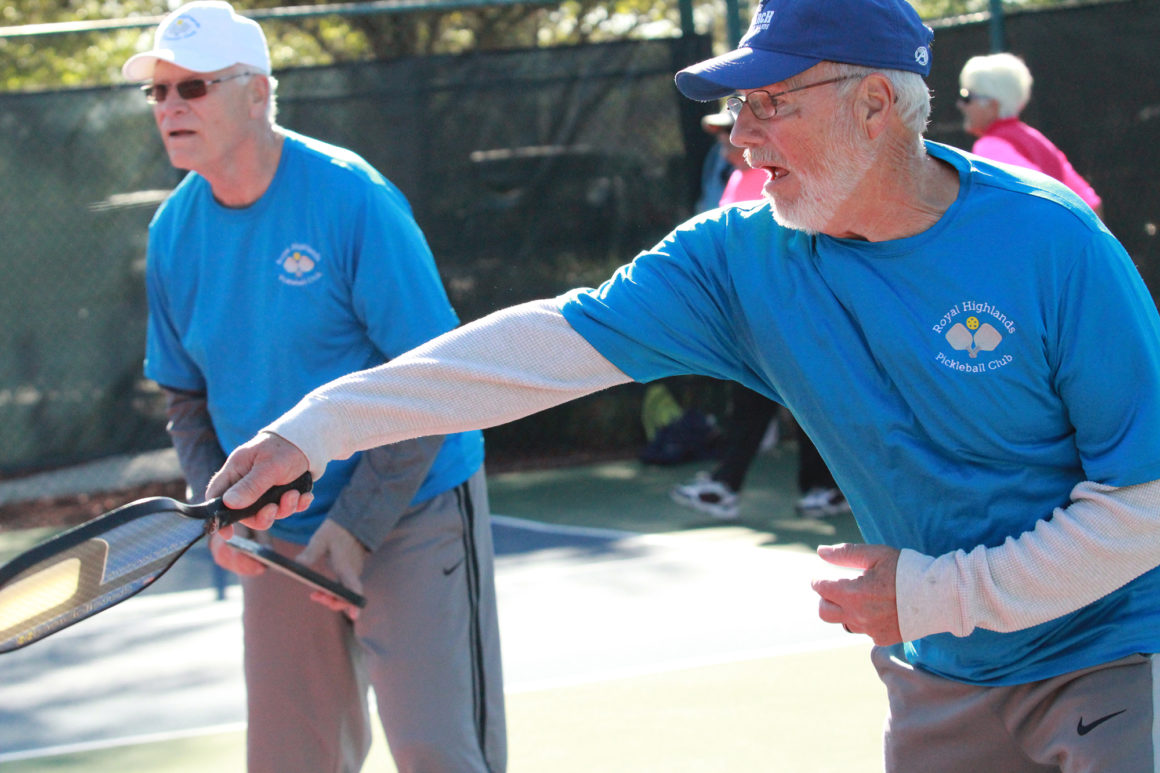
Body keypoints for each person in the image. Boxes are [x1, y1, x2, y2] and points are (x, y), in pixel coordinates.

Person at [209, 0, 1160, 769]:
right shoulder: (736, 262)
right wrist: (315, 428)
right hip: (937, 677)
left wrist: (938, 593)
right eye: (735, 107)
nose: (740, 136)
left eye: (770, 102)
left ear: (875, 104)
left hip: (1113, 659)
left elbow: (1147, 506)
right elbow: (535, 349)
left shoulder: (1056, 246)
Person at [121, 3, 506, 771]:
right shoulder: (172, 233)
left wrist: (356, 526)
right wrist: (220, 507)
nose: (169, 108)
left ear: (258, 93)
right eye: (157, 92)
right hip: (277, 532)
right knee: (291, 761)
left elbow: (436, 380)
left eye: (191, 87)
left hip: (414, 509)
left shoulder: (350, 196)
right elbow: (187, 402)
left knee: (441, 753)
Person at [673, 110, 849, 520]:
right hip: (756, 316)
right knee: (759, 399)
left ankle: (815, 487)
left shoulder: (779, 180)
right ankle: (732, 484)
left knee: (797, 402)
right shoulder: (736, 178)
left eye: (730, 134)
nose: (726, 143)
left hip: (790, 314)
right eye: (721, 136)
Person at [957, 52, 1103, 217]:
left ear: (991, 105)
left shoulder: (990, 145)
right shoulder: (1034, 138)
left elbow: (1032, 197)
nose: (961, 105)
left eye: (967, 97)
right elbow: (1091, 204)